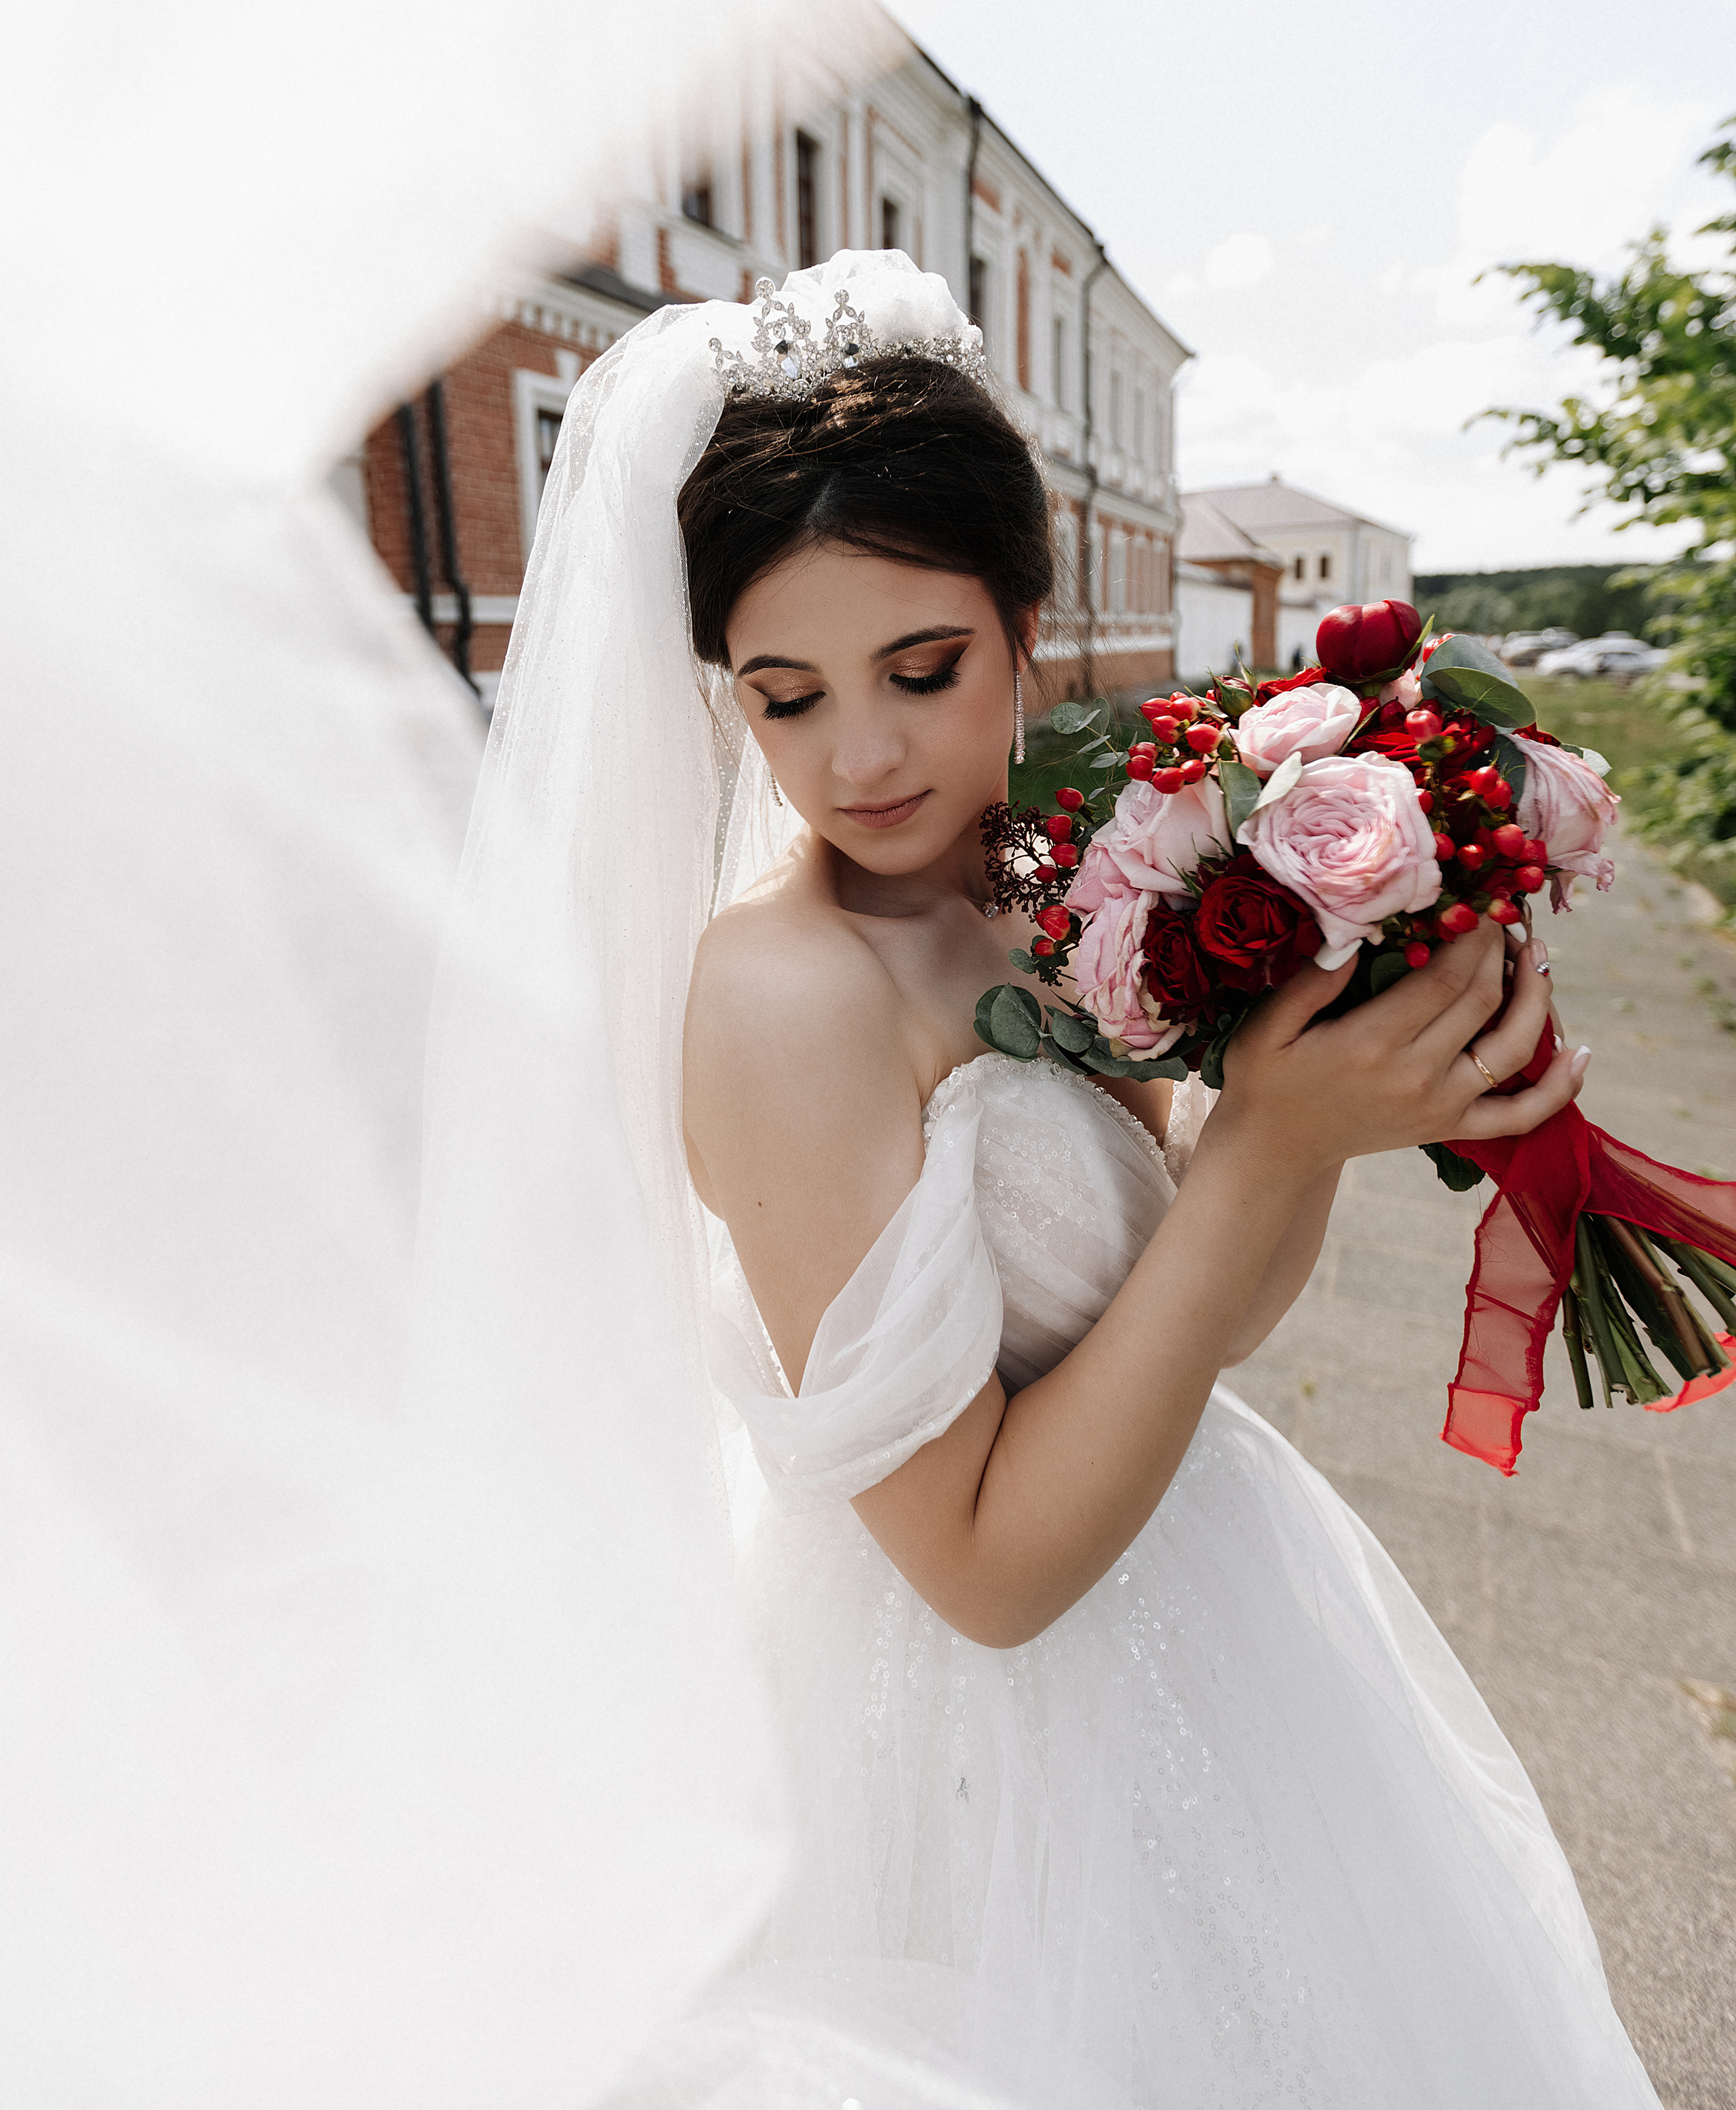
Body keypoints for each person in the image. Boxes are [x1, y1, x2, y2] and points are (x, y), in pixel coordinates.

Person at [468, 248, 1657, 2107]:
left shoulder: (1038, 889)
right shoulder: (785, 997)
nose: (856, 757)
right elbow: (981, 1575)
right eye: (784, 697)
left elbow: (1197, 1307)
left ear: (1031, 627)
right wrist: (1270, 1141)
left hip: (1205, 1596)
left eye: (921, 671)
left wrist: (1325, 1091)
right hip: (966, 1747)